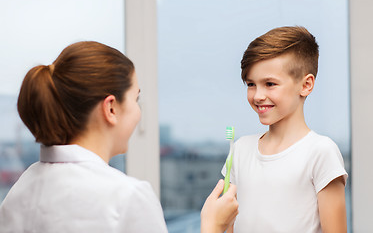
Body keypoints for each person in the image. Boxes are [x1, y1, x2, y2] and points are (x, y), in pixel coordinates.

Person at [0, 41, 238, 233]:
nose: (138, 112)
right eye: (135, 99)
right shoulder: (126, 197)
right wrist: (212, 227)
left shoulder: (21, 189)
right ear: (111, 108)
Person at [221, 26, 347, 233]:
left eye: (270, 84)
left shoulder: (320, 152)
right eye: (251, 84)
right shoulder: (241, 149)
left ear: (306, 85)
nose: (258, 95)